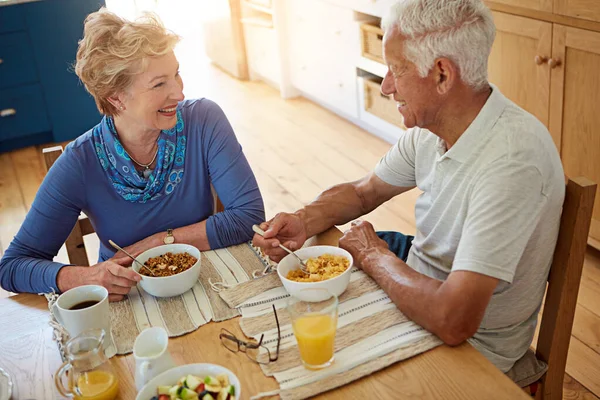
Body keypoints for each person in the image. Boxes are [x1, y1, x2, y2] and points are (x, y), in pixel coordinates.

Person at [253, 0, 564, 375]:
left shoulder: (513, 162)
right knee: (286, 322)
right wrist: (303, 220)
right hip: (416, 283)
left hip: (471, 350)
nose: (385, 86)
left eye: (396, 70)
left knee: (311, 362)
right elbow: (364, 192)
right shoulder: (436, 126)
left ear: (442, 75)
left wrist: (374, 256)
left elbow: (454, 321)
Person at [0, 8, 264, 301]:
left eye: (176, 74)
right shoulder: (79, 163)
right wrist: (84, 276)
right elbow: (12, 266)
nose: (179, 92)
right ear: (116, 97)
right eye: (159, 84)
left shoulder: (203, 119)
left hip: (207, 286)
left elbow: (247, 217)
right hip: (128, 302)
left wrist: (156, 243)